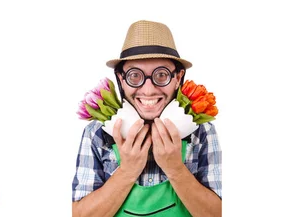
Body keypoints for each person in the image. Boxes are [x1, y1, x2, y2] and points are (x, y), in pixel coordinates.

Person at [71, 20, 222, 217]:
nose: (148, 90)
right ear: (121, 79)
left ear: (178, 78)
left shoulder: (202, 131)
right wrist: (127, 171)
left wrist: (175, 168)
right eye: (135, 76)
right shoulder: (97, 132)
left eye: (161, 75)